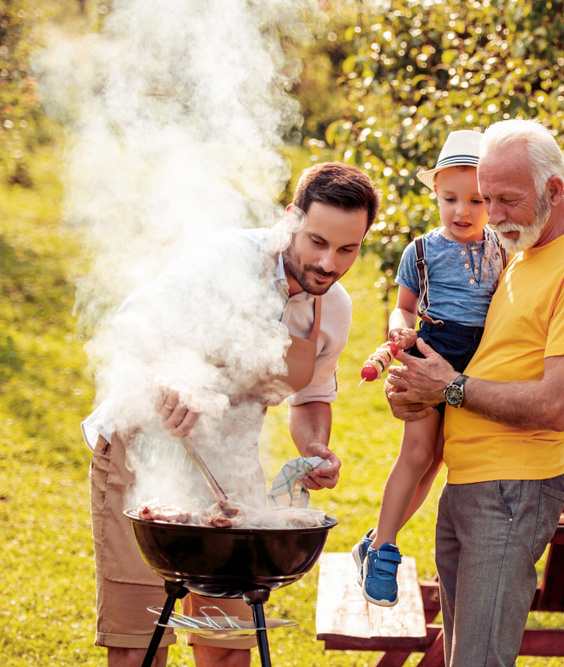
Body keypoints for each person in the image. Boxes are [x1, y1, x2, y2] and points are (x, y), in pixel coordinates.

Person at [80, 162, 381, 667]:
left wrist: (314, 448)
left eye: (347, 249)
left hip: (232, 477)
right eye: (317, 242)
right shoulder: (227, 259)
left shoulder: (335, 309)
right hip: (143, 457)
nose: (329, 263)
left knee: (227, 649)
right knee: (138, 648)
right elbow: (136, 319)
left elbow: (310, 399)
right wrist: (171, 374)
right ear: (291, 219)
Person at [384, 118, 564, 667]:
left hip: (511, 493)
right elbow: (481, 357)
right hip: (467, 482)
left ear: (554, 190)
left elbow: (558, 406)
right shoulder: (517, 251)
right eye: (487, 198)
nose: (493, 215)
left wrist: (451, 388)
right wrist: (418, 391)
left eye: (507, 200)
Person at [354, 130, 506, 607]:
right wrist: (400, 329)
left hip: (474, 363)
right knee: (418, 454)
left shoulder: (502, 250)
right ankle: (383, 550)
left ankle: (375, 537)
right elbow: (404, 307)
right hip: (429, 352)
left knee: (439, 459)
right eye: (450, 199)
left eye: (476, 200)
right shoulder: (420, 251)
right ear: (435, 195)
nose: (462, 211)